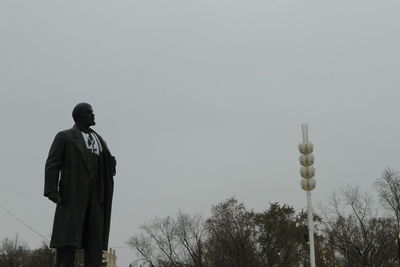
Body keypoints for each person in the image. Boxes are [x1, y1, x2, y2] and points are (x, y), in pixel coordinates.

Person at [44, 103, 116, 267]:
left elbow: (105, 168)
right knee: (68, 240)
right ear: (78, 116)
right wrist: (51, 191)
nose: (93, 114)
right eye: (88, 112)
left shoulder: (100, 140)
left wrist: (110, 166)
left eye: (92, 112)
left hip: (97, 198)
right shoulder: (65, 137)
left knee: (95, 241)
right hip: (73, 197)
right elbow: (52, 164)